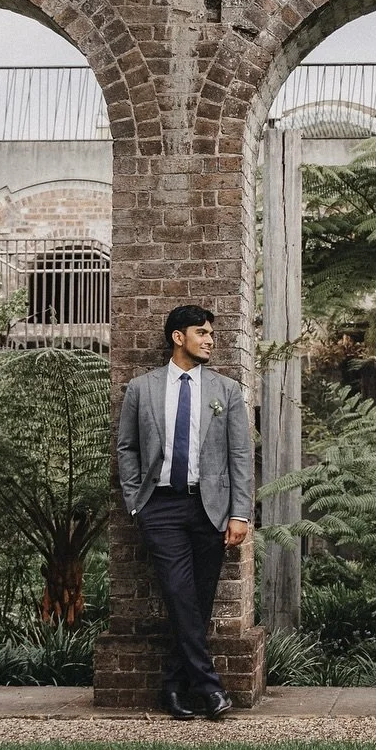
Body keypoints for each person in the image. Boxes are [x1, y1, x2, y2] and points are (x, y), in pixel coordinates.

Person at [116, 304, 252, 720]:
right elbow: (127, 449)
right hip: (160, 506)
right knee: (178, 592)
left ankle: (173, 688)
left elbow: (240, 454)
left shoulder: (225, 391)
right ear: (178, 337)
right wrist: (136, 501)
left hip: (210, 508)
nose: (210, 339)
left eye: (212, 334)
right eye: (202, 332)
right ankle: (211, 689)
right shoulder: (142, 388)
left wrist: (240, 513)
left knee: (196, 600)